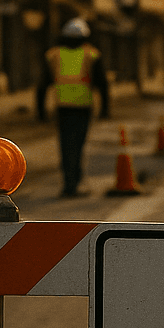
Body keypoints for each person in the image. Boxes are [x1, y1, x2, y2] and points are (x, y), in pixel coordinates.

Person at [36, 18, 111, 197]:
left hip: (63, 108)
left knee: (66, 146)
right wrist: (105, 109)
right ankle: (74, 183)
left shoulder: (54, 54)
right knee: (78, 146)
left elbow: (42, 85)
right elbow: (103, 84)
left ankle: (70, 182)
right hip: (83, 107)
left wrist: (40, 111)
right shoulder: (91, 54)